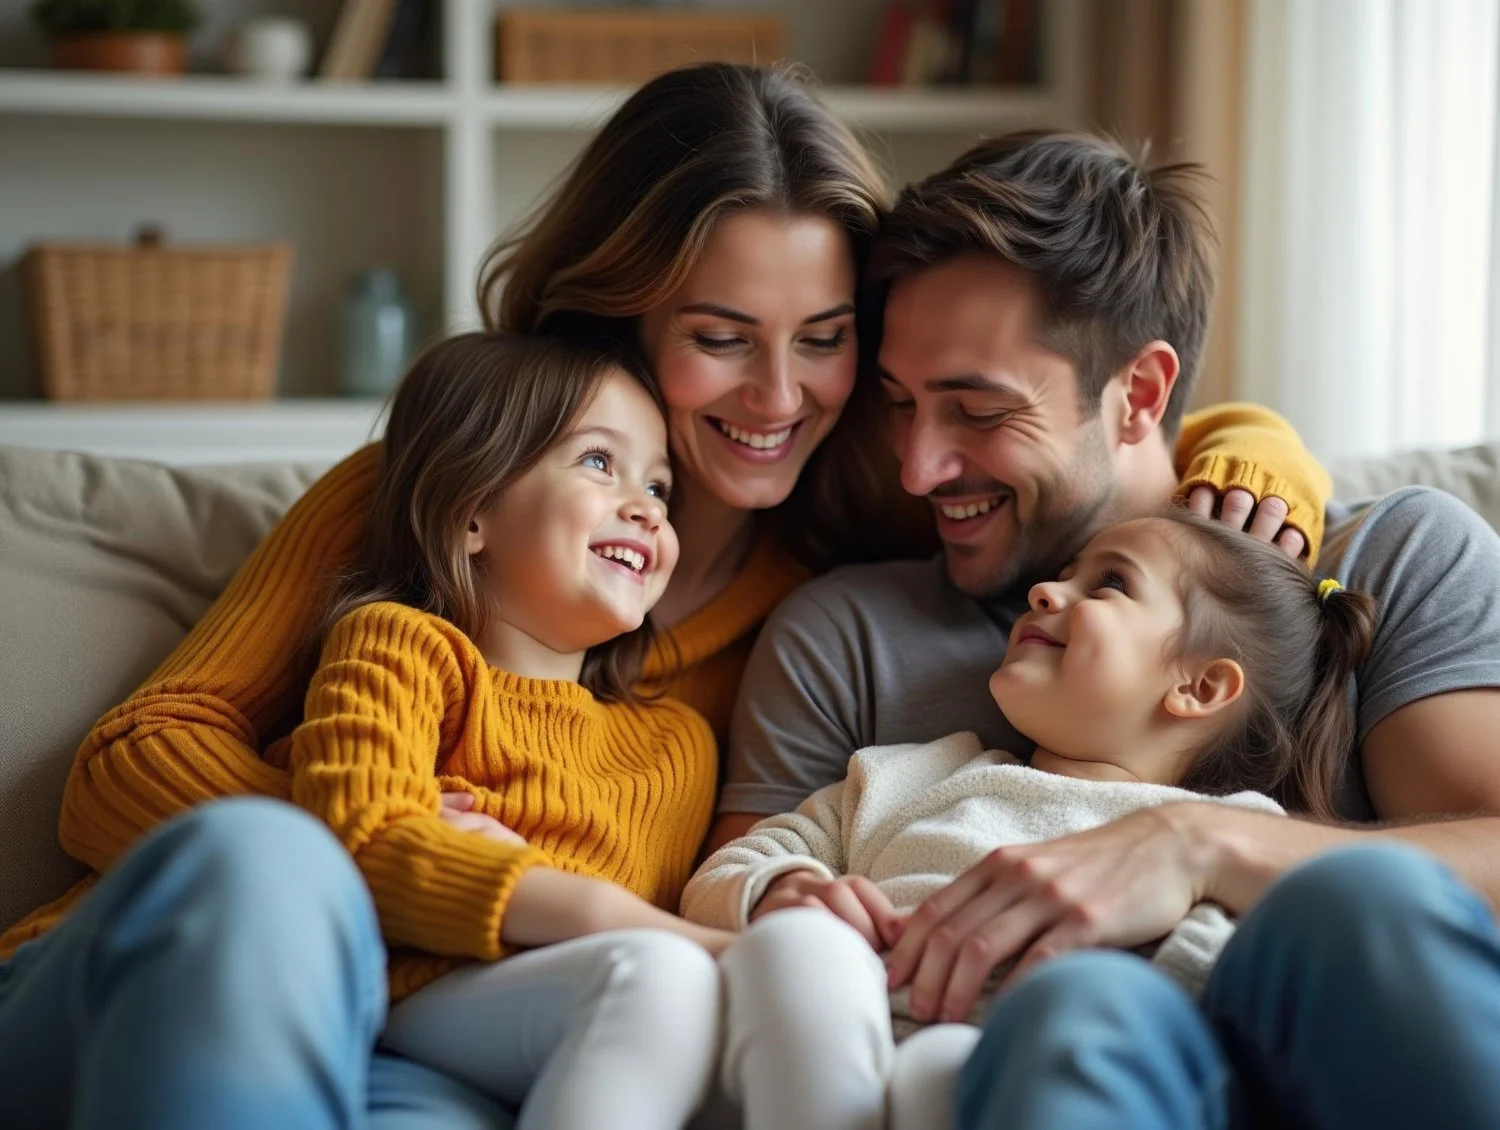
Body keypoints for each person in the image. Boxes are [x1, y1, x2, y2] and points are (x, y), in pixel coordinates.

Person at [0, 69, 1327, 1128]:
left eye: (823, 341)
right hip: (186, 975)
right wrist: (387, 837)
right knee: (268, 857)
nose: (776, 396)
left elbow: (1094, 433)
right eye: (717, 337)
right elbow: (125, 766)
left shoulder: (838, 551)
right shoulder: (454, 492)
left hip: (472, 1038)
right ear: (620, 320)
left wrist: (1254, 450)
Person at [722, 129, 1500, 1129]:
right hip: (1057, 1063)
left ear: (1138, 392)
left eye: (976, 408)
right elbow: (751, 948)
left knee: (1352, 901)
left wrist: (1191, 841)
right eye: (900, 405)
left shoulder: (1388, 556)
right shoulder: (846, 637)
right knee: (1074, 1008)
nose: (917, 468)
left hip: (1337, 1036)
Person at [682, 510, 1373, 1130]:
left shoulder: (1229, 840)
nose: (1045, 591)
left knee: (943, 1068)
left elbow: (1229, 1002)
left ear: (1200, 686)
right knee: (797, 949)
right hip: (829, 1035)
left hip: (1027, 1075)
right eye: (1063, 574)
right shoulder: (903, 774)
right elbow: (730, 869)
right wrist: (782, 888)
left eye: (1110, 585)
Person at [289, 331, 733, 1129]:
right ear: (472, 515)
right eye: (600, 462)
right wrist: (621, 921)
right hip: (403, 988)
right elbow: (356, 843)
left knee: (669, 984)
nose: (645, 505)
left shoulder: (676, 745)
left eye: (661, 488)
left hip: (561, 1023)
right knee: (661, 974)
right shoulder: (401, 646)